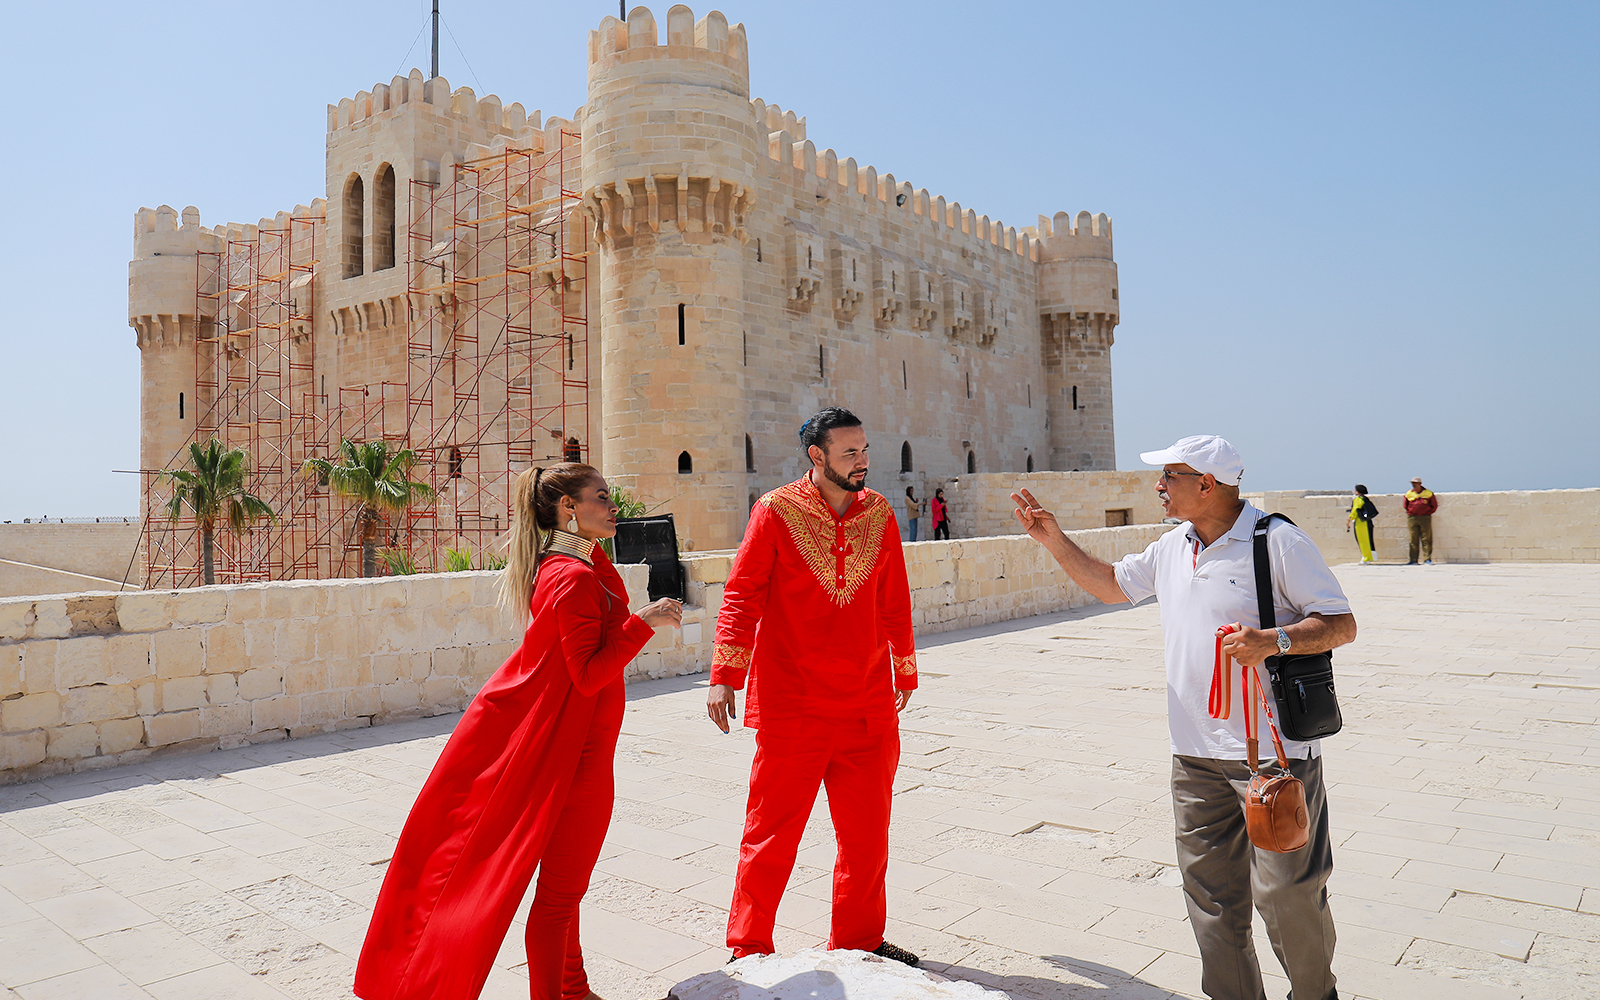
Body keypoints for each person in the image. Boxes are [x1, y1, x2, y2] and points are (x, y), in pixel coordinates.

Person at [1010, 434, 1356, 1000]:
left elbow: (1341, 623)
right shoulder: (1172, 547)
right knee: (1211, 900)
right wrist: (1054, 541)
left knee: (1288, 894)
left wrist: (1275, 640)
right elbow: (1109, 586)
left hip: (1272, 754)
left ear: (1207, 484)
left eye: (1170, 476)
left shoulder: (1278, 542)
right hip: (1193, 755)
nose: (1158, 486)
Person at [355, 463, 683, 1000]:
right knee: (557, 901)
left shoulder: (574, 562)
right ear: (568, 509)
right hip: (577, 761)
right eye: (602, 497)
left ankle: (573, 991)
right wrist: (643, 622)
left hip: (576, 750)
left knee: (562, 894)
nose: (614, 505)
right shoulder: (572, 576)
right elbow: (587, 674)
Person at [707, 406, 921, 966]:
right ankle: (748, 947)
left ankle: (859, 940)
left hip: (868, 706)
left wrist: (905, 666)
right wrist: (725, 676)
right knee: (769, 836)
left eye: (865, 450)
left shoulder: (879, 512)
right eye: (850, 452)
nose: (863, 462)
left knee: (868, 840)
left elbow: (893, 595)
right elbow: (742, 594)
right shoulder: (774, 511)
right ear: (816, 456)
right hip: (792, 707)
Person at [1404, 477, 1438, 565]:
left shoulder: (1428, 493)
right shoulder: (1409, 493)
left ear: (1420, 484)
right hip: (1412, 518)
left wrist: (1427, 512)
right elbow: (1405, 505)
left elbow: (1434, 505)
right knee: (1413, 539)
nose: (1413, 485)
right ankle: (1413, 560)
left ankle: (1427, 559)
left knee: (1426, 538)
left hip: (1425, 517)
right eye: (1412, 483)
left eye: (1415, 483)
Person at [1347, 485, 1377, 564]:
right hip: (1367, 521)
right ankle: (1369, 556)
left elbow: (1355, 510)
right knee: (1368, 539)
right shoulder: (1365, 499)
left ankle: (1366, 557)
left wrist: (1349, 519)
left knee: (1363, 540)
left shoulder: (1358, 499)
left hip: (1361, 522)